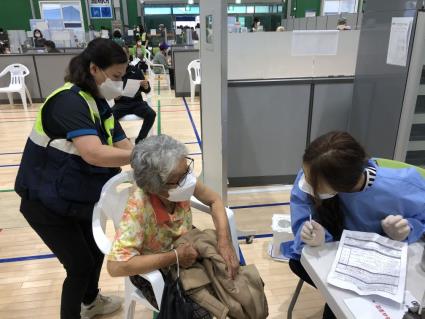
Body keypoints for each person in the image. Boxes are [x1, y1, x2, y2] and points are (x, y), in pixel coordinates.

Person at [14, 38, 134, 319]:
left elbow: (122, 145)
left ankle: (90, 303)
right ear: (95, 69)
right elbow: (93, 153)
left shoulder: (99, 103)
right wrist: (138, 158)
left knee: (95, 250)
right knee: (79, 266)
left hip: (75, 194)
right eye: (116, 76)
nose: (119, 82)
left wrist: (144, 155)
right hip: (44, 201)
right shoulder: (68, 102)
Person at [284, 131, 425, 319]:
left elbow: (421, 219)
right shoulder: (313, 172)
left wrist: (408, 229)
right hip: (338, 259)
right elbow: (301, 213)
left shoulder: (401, 186)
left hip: (382, 266)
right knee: (335, 298)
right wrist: (314, 236)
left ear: (342, 186)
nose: (305, 181)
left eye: (312, 181)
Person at [107, 135, 240, 306]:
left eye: (187, 169)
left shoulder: (181, 180)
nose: (189, 180)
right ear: (157, 187)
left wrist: (224, 241)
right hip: (155, 266)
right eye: (181, 177)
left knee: (230, 281)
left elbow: (214, 200)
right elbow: (116, 266)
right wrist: (175, 257)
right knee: (204, 307)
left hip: (185, 246)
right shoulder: (138, 208)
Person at [112, 48, 156, 144]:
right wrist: (116, 96)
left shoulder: (136, 71)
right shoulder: (114, 73)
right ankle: (122, 138)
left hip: (137, 103)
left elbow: (147, 90)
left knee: (151, 114)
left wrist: (146, 86)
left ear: (128, 56)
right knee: (109, 116)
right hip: (121, 104)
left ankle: (140, 139)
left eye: (125, 54)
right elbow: (112, 93)